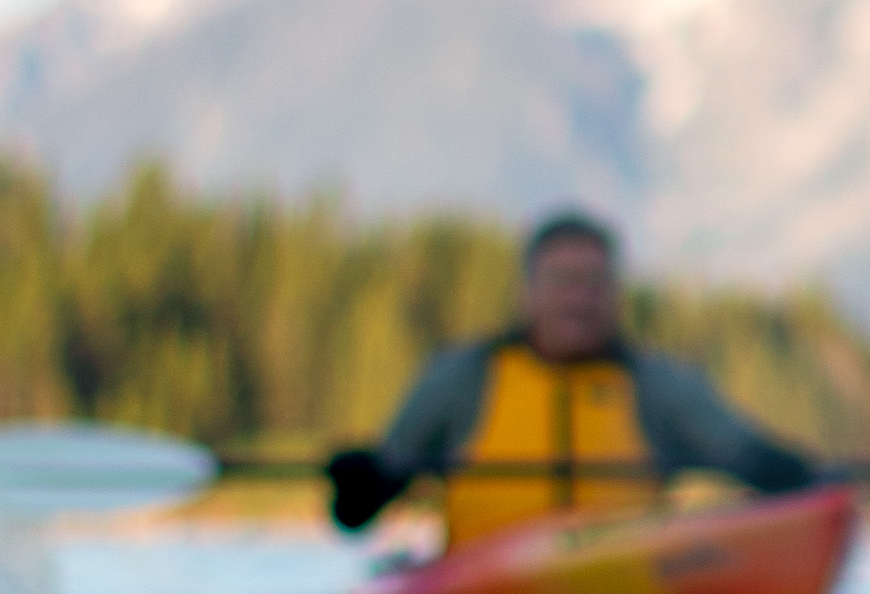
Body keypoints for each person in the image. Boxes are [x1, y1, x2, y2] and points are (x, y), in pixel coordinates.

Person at [330, 210, 824, 547]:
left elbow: (746, 456)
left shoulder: (659, 386)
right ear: (528, 292)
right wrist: (364, 482)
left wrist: (799, 476)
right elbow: (369, 499)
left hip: (621, 593)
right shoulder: (462, 378)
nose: (580, 299)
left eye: (596, 284)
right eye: (564, 282)